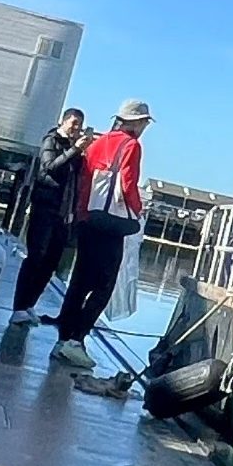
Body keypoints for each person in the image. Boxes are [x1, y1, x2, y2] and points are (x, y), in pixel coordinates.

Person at [52, 99, 151, 371]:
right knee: (104, 284)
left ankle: (63, 340)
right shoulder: (131, 145)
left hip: (87, 218)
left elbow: (85, 178)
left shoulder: (99, 142)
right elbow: (128, 183)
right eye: (143, 123)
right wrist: (138, 209)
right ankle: (77, 339)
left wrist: (82, 211)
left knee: (79, 281)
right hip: (111, 224)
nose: (144, 128)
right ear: (136, 123)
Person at [8, 108, 91, 327]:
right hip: (44, 207)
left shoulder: (75, 150)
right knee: (36, 256)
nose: (76, 128)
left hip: (63, 213)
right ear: (63, 122)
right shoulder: (51, 140)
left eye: (79, 124)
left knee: (51, 261)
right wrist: (74, 150)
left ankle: (29, 305)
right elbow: (49, 168)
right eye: (73, 123)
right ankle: (18, 306)